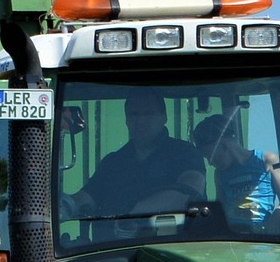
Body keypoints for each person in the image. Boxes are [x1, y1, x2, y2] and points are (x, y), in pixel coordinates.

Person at [62, 91, 205, 219]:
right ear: (126, 120)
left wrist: (133, 216)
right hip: (111, 247)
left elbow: (190, 190)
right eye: (134, 114)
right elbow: (88, 197)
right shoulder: (112, 163)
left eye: (148, 113)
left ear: (164, 117)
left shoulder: (185, 153)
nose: (141, 121)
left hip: (174, 244)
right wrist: (65, 207)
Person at [191, 113, 280, 224]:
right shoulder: (220, 174)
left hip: (261, 232)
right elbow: (220, 209)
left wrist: (279, 212)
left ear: (224, 145)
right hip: (234, 234)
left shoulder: (267, 160)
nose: (210, 163)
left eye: (212, 156)